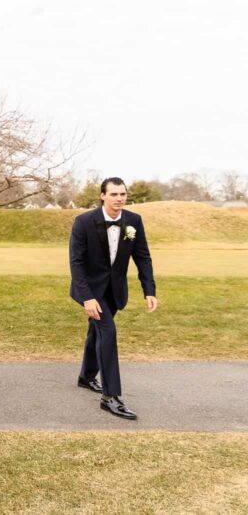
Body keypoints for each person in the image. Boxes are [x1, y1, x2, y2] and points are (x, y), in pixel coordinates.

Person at [70, 177, 158, 420]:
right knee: (107, 332)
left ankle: (86, 377)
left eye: (123, 194)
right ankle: (110, 397)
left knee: (96, 331)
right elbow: (76, 263)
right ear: (103, 196)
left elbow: (143, 257)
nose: (119, 198)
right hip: (90, 290)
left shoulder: (134, 221)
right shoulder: (83, 222)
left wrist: (149, 290)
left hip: (114, 291)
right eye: (114, 194)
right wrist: (87, 298)